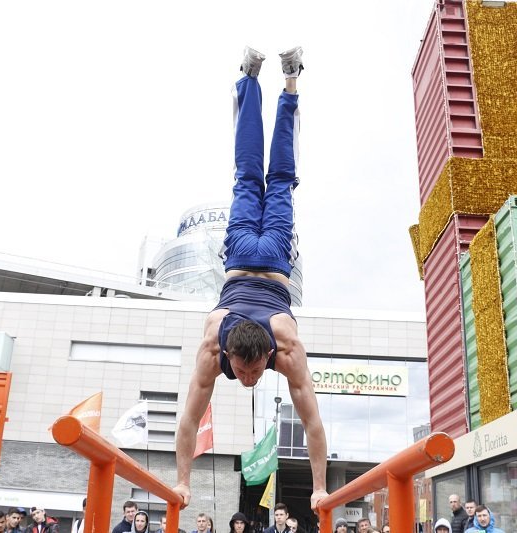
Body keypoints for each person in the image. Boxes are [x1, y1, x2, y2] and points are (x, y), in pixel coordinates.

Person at [173, 45, 327, 512]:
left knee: (249, 176)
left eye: (252, 371)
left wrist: (320, 488)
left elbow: (312, 423)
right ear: (230, 354)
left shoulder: (233, 346)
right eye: (246, 372)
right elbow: (189, 422)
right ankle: (286, 80)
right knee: (277, 179)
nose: (248, 377)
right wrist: (182, 483)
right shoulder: (274, 347)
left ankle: (254, 77)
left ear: (266, 353)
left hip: (244, 254)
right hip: (272, 255)